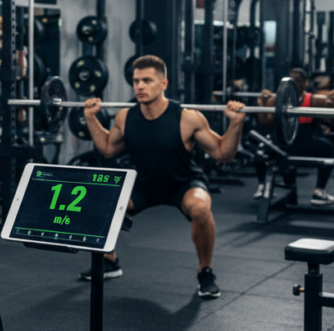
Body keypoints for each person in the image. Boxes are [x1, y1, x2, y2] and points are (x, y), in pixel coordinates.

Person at [83, 55, 246, 299]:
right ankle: (109, 261)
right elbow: (107, 148)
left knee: (200, 208)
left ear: (163, 84)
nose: (139, 86)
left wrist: (236, 124)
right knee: (106, 199)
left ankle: (205, 272)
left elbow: (223, 153)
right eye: (136, 80)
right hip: (145, 184)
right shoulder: (125, 118)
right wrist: (90, 118)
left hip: (182, 183)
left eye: (147, 80)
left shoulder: (188, 118)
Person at [252, 68, 334, 205]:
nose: (295, 84)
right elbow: (265, 122)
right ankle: (263, 186)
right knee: (261, 151)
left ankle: (319, 191)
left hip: (305, 142)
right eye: (292, 81)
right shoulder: (278, 100)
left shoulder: (315, 100)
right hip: (284, 143)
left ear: (306, 83)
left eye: (298, 81)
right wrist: (261, 103)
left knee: (326, 146)